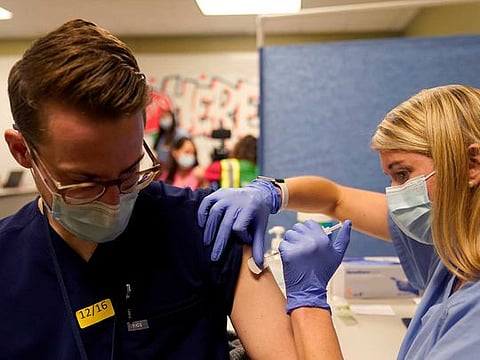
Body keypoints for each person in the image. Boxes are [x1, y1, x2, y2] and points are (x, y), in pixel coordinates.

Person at [0, 19, 297, 359]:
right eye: (85, 183)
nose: (114, 201)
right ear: (23, 151)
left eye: (130, 173)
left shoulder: (206, 227)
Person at [198, 84, 480, 358]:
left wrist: (309, 301)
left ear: (471, 165)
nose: (395, 195)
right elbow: (335, 199)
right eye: (391, 178)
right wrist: (275, 192)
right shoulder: (454, 248)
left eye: (403, 174)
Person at [151, 93, 189, 167]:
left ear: (173, 116)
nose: (164, 119)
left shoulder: (181, 135)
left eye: (166, 116)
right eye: (162, 117)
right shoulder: (161, 136)